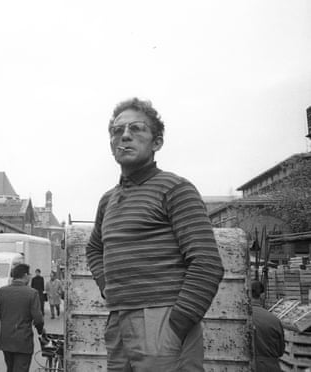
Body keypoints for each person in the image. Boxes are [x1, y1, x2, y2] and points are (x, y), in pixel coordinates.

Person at [85, 97, 225, 371]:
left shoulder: (175, 189)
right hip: (118, 319)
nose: (124, 135)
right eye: (117, 130)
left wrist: (177, 324)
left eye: (136, 128)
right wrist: (107, 287)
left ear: (157, 142)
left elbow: (207, 263)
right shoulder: (108, 200)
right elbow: (94, 249)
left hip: (162, 320)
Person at [0, 263, 45, 372]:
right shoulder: (32, 293)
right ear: (25, 275)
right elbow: (38, 318)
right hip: (22, 340)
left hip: (6, 339)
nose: (30, 276)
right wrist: (41, 330)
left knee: (10, 368)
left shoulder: (2, 291)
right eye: (29, 274)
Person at [251, 280, 284, 372]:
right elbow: (280, 351)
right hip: (269, 367)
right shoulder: (274, 320)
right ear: (262, 295)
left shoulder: (240, 318)